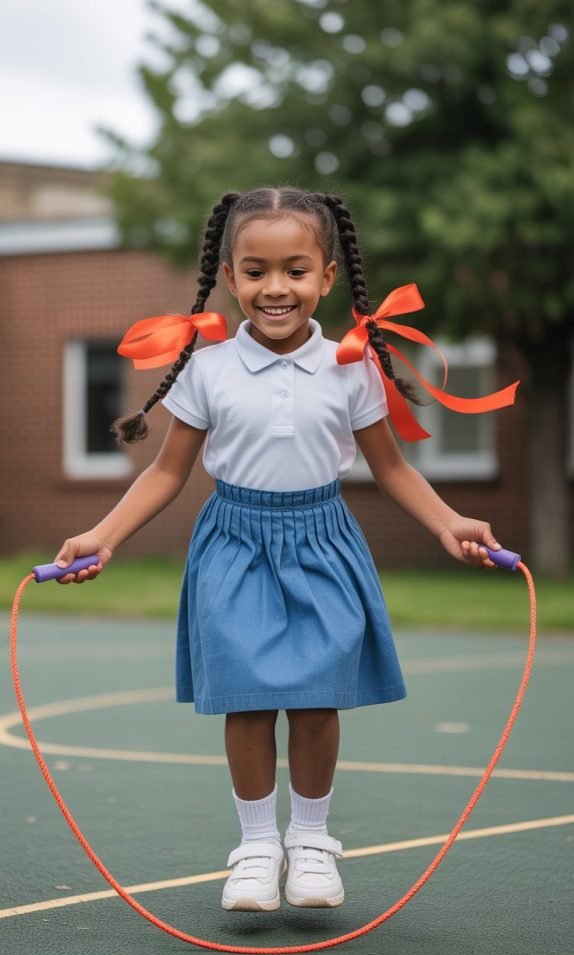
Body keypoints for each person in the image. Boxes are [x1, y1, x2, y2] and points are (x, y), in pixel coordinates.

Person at [54, 187, 513, 914]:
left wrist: (448, 521)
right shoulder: (207, 369)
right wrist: (102, 535)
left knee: (316, 701)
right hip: (234, 544)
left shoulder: (354, 365)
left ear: (328, 276)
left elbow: (391, 468)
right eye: (257, 270)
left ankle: (310, 842)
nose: (276, 288)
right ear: (230, 278)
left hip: (323, 543)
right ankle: (256, 846)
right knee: (245, 699)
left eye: (296, 270)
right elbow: (167, 472)